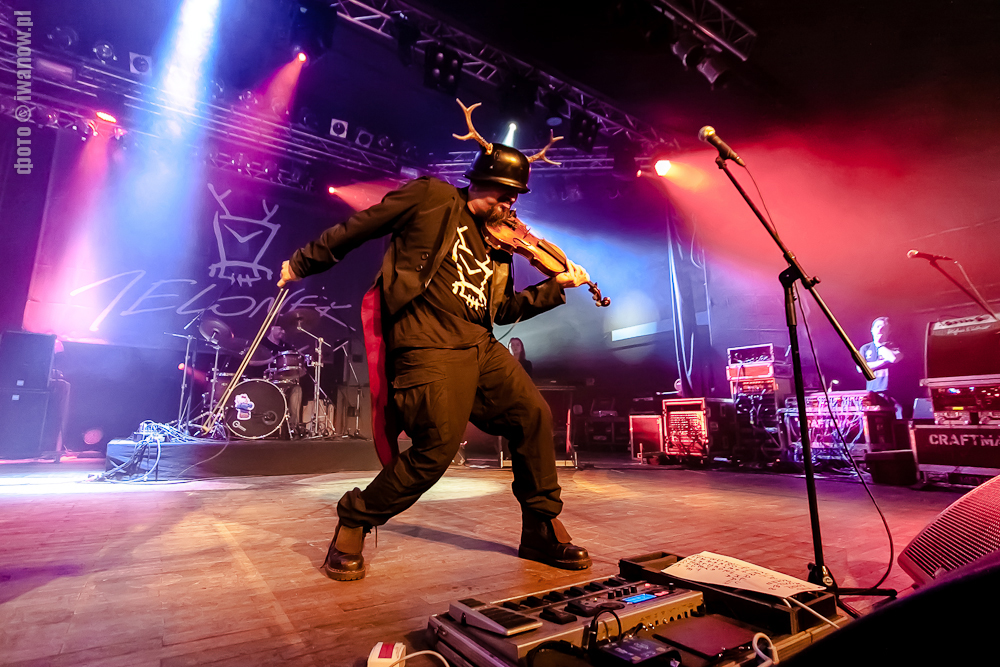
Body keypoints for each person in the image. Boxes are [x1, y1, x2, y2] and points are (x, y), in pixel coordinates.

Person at [278, 100, 593, 581]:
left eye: (515, 198)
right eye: (505, 194)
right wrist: (304, 262)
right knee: (435, 450)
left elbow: (502, 312)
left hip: (479, 346)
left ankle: (540, 527)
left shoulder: (499, 248)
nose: (510, 206)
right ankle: (355, 517)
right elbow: (360, 227)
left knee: (533, 415)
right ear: (482, 182)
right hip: (427, 342)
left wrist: (556, 287)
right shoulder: (432, 198)